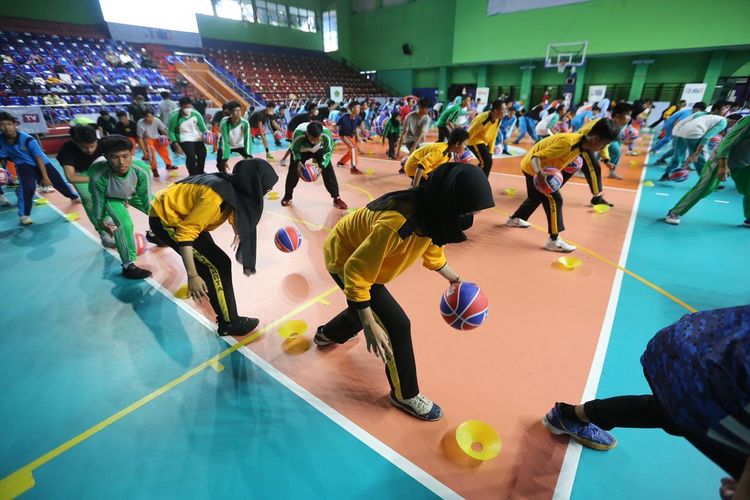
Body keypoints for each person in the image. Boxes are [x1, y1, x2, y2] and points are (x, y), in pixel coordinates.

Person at [315, 163, 495, 421]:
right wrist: (367, 324)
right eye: (470, 209)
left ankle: (326, 334)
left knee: (367, 309)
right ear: (451, 203)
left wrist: (455, 279)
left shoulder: (432, 213)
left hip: (365, 264)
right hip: (345, 258)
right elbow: (357, 270)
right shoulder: (398, 224)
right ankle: (405, 394)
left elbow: (432, 248)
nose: (472, 216)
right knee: (396, 324)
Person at [543, 305, 750, 499]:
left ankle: (568, 415)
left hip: (683, 339)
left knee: (667, 409)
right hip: (709, 380)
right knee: (678, 410)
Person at [149, 159, 278, 336]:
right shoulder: (214, 197)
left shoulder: (232, 183)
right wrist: (192, 275)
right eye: (265, 188)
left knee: (209, 260)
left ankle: (213, 292)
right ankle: (229, 323)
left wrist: (237, 229)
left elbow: (235, 205)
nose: (264, 192)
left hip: (182, 213)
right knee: (219, 264)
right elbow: (186, 234)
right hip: (168, 220)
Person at [506, 119, 619, 252]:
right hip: (535, 168)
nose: (602, 148)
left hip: (530, 166)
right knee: (555, 199)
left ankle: (514, 219)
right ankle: (554, 241)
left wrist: (605, 161)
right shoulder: (568, 143)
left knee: (535, 198)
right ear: (595, 139)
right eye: (603, 144)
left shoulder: (581, 144)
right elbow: (535, 158)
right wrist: (540, 175)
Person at [664, 113, 749, 226]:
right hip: (723, 159)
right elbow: (726, 143)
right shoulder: (747, 122)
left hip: (746, 163)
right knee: (705, 188)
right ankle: (674, 213)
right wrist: (723, 165)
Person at [88, 135, 153, 279]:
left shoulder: (141, 169)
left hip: (133, 192)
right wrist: (100, 222)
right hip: (112, 198)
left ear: (132, 153)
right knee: (125, 225)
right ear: (105, 156)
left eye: (125, 156)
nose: (121, 162)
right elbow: (98, 200)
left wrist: (157, 220)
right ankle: (128, 266)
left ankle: (155, 235)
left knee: (160, 211)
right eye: (114, 157)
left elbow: (147, 198)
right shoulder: (98, 175)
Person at [0, 112, 80, 225]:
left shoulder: (27, 139)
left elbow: (38, 158)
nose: (6, 127)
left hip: (42, 163)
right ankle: (24, 215)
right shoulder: (1, 139)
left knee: (58, 183)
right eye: (2, 125)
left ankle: (72, 196)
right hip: (24, 166)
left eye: (9, 124)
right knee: (27, 188)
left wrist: (45, 177)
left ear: (15, 125)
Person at [58, 125, 115, 248]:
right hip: (81, 174)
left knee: (109, 194)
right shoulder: (67, 149)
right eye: (85, 147)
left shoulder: (103, 144)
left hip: (100, 169)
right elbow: (71, 177)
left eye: (92, 146)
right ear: (75, 142)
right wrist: (96, 179)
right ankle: (103, 233)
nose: (90, 150)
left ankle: (106, 216)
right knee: (88, 199)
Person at [576, 102, 634, 206]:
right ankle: (597, 198)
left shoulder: (613, 127)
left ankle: (597, 197)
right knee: (594, 168)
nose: (629, 118)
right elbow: (582, 134)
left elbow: (604, 145)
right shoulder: (603, 124)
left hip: (585, 147)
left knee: (591, 168)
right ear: (617, 116)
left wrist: (606, 160)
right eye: (628, 115)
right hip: (580, 146)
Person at [281, 121, 348, 209]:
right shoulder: (298, 133)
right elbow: (294, 150)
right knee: (293, 171)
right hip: (302, 151)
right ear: (306, 134)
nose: (315, 141)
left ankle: (336, 198)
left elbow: (328, 152)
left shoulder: (326, 134)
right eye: (312, 139)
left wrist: (321, 167)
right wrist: (298, 162)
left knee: (328, 170)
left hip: (318, 150)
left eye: (318, 139)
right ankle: (287, 197)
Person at [662, 101, 729, 181]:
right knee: (701, 159)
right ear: (716, 110)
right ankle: (706, 181)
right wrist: (697, 153)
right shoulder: (722, 121)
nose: (726, 111)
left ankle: (666, 174)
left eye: (727, 109)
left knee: (677, 155)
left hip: (679, 132)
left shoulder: (700, 114)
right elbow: (706, 137)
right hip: (693, 134)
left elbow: (683, 123)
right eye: (724, 109)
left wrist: (675, 135)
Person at [405, 129, 469, 188]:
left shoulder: (448, 152)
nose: (465, 147)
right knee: (435, 185)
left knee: (440, 177)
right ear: (457, 144)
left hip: (418, 166)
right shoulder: (440, 151)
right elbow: (421, 166)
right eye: (464, 144)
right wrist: (415, 187)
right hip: (413, 166)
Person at [168, 97, 209, 176]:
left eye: (190, 107)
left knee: (203, 153)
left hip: (196, 136)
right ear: (181, 107)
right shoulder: (175, 116)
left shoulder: (196, 114)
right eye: (186, 107)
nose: (188, 109)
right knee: (191, 156)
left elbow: (203, 127)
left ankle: (200, 171)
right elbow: (171, 131)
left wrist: (207, 135)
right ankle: (193, 174)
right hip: (183, 137)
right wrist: (175, 143)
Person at [466, 99, 507, 177]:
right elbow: (468, 134)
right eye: (503, 110)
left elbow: (493, 136)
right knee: (487, 161)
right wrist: (461, 147)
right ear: (495, 111)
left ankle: (472, 177)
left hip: (482, 140)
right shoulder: (482, 119)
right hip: (473, 140)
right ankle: (481, 183)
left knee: (487, 161)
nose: (506, 112)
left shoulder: (498, 119)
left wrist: (490, 151)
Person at [396, 98, 432, 172]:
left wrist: (414, 147)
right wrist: (398, 150)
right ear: (420, 107)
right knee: (416, 155)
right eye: (426, 108)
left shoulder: (427, 118)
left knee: (418, 156)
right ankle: (406, 167)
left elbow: (422, 133)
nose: (428, 110)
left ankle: (407, 166)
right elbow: (404, 133)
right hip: (409, 140)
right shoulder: (409, 116)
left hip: (419, 140)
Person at [216, 101, 252, 173]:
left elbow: (247, 139)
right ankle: (224, 176)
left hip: (240, 144)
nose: (238, 113)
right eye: (235, 111)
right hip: (228, 145)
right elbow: (224, 140)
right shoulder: (224, 122)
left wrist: (248, 155)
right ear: (230, 112)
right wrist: (225, 159)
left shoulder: (245, 123)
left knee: (251, 162)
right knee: (220, 163)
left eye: (239, 110)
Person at [280, 102, 318, 167]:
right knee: (294, 144)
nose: (317, 110)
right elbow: (305, 129)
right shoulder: (305, 117)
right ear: (312, 110)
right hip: (292, 128)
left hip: (298, 128)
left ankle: (314, 159)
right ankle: (283, 159)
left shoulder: (311, 116)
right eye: (315, 109)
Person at [137, 109, 173, 177]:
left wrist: (169, 138)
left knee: (164, 150)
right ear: (144, 117)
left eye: (151, 116)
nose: (150, 118)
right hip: (147, 139)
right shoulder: (140, 123)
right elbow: (139, 138)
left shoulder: (157, 120)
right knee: (151, 154)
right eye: (148, 117)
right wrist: (144, 151)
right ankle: (154, 170)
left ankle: (168, 165)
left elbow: (163, 130)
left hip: (157, 138)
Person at [336, 101, 364, 174]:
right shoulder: (344, 117)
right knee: (353, 147)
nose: (359, 109)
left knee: (353, 149)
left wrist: (357, 136)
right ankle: (353, 168)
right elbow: (336, 126)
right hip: (344, 135)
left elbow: (356, 128)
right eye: (357, 107)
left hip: (350, 135)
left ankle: (341, 162)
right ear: (352, 109)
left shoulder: (358, 118)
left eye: (359, 107)